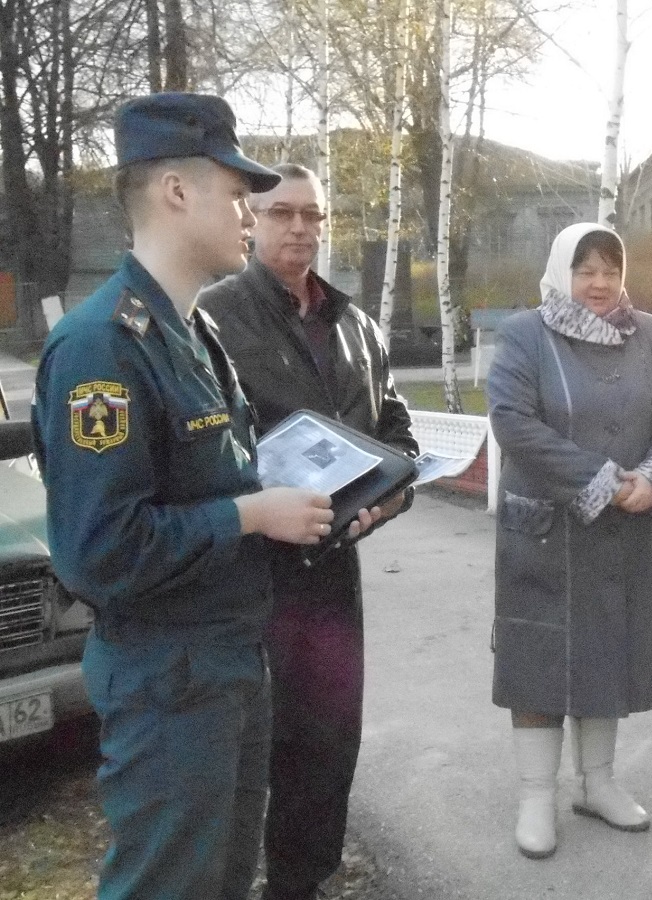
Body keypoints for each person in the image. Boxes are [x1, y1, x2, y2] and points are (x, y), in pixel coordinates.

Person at [30, 93, 356, 900]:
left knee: (221, 880)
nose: (251, 212)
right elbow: (100, 554)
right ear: (176, 192)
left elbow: (212, 472)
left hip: (231, 661)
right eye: (237, 192)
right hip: (168, 678)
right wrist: (251, 513)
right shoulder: (102, 346)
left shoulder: (193, 329)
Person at [198, 163, 418, 900]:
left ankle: (301, 884)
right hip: (248, 574)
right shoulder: (213, 316)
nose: (299, 228)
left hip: (333, 574)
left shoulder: (355, 325)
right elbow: (199, 454)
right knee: (250, 752)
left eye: (313, 215)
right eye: (282, 212)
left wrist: (391, 497)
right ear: (252, 220)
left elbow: (394, 430)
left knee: (329, 744)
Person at [487, 222, 652, 859]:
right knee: (540, 657)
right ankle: (534, 796)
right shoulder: (526, 334)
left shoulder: (650, 334)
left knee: (607, 647)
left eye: (610, 268)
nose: (600, 282)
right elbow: (512, 422)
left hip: (624, 531)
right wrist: (603, 481)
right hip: (546, 532)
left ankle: (598, 784)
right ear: (562, 272)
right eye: (586, 270)